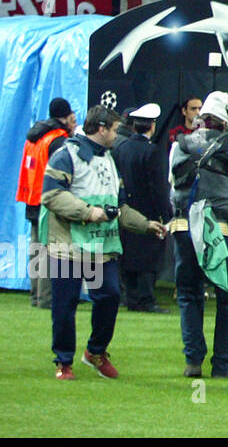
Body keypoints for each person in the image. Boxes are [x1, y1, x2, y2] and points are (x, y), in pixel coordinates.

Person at [42, 106, 167, 380]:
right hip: (67, 247)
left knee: (110, 295)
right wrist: (88, 212)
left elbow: (119, 206)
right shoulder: (66, 155)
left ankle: (95, 351)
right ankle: (63, 361)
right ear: (101, 128)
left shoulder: (110, 159)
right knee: (64, 306)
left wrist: (145, 224)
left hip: (101, 248)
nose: (117, 134)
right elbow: (51, 195)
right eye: (113, 129)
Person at [168, 91, 228, 378]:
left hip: (184, 226)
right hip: (219, 228)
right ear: (224, 119)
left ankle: (193, 361)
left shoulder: (179, 144)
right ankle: (222, 364)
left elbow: (171, 181)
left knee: (189, 294)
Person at [17, 97, 77, 309]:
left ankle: (35, 295)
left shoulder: (34, 137)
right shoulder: (58, 140)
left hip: (31, 198)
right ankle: (46, 299)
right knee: (48, 251)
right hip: (47, 200)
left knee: (36, 249)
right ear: (66, 115)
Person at [112, 103, 171, 312]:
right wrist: (167, 214)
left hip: (125, 209)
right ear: (152, 126)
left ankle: (131, 297)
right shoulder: (154, 152)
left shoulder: (120, 149)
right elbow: (159, 187)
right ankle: (145, 299)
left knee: (128, 254)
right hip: (148, 211)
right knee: (149, 257)